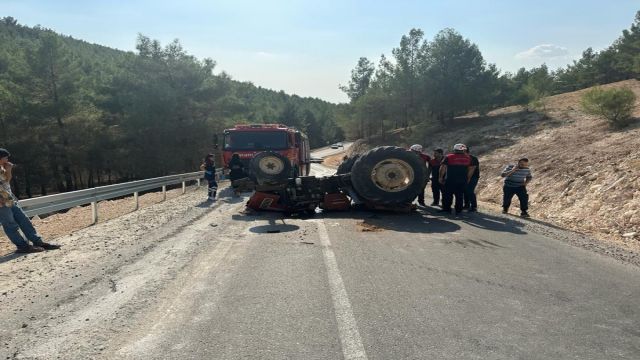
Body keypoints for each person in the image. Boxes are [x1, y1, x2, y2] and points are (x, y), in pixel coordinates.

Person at [0, 148, 61, 253]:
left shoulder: (2, 168)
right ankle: (22, 246)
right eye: (5, 157)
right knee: (10, 224)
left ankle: (38, 242)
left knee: (24, 220)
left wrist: (9, 170)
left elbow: (6, 182)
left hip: (9, 199)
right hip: (1, 202)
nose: (7, 159)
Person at [438, 144, 476, 214]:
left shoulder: (449, 157)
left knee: (447, 195)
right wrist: (468, 178)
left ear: (454, 149)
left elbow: (443, 167)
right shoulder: (468, 158)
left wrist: (440, 177)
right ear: (463, 150)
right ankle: (458, 210)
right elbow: (472, 168)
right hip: (462, 180)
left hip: (450, 179)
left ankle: (447, 209)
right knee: (459, 195)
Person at [463, 147, 480, 212]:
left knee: (470, 191)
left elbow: (472, 170)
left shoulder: (473, 158)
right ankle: (466, 205)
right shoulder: (463, 158)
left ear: (466, 151)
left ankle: (474, 207)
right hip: (465, 177)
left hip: (473, 177)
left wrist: (468, 179)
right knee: (465, 191)